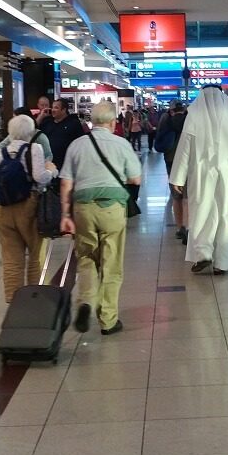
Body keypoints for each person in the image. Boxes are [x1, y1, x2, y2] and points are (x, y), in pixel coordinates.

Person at [60, 101, 142, 335]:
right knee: (111, 262)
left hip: (83, 208)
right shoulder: (121, 143)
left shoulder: (76, 145)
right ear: (113, 122)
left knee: (86, 257)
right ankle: (108, 319)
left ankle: (86, 301)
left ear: (92, 122)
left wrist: (65, 214)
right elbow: (136, 179)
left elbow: (66, 182)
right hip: (112, 208)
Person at [170, 86, 228, 274]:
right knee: (225, 214)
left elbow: (184, 149)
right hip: (227, 172)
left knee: (201, 210)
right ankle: (222, 262)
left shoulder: (194, 117)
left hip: (201, 171)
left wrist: (178, 178)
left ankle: (203, 253)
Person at [0, 115, 56, 303]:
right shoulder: (33, 149)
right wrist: (52, 170)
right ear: (30, 131)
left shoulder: (0, 153)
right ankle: (33, 296)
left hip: (2, 209)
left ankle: (13, 299)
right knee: (35, 255)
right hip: (28, 208)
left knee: (12, 259)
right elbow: (40, 177)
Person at [155, 100, 189, 242]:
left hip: (171, 161)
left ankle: (179, 228)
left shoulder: (165, 121)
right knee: (188, 196)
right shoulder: (190, 121)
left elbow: (158, 142)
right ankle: (188, 228)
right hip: (188, 162)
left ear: (171, 110)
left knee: (176, 197)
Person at [41, 97, 86, 168]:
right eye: (52, 107)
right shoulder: (47, 122)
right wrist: (41, 116)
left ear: (64, 110)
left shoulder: (74, 124)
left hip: (66, 164)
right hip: (49, 164)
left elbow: (81, 143)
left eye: (56, 108)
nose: (53, 110)